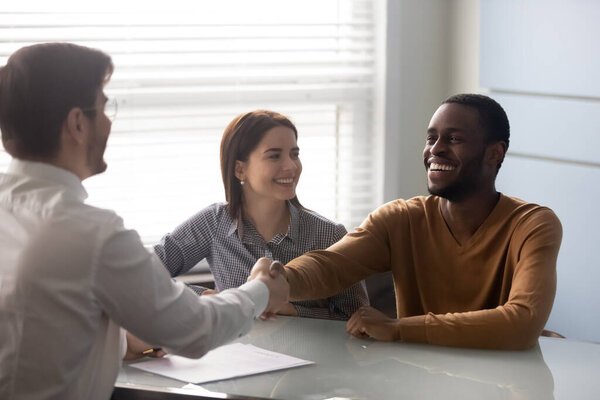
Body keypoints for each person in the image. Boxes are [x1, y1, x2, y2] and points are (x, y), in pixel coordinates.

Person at [0, 43, 288, 400]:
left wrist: (121, 339)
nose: (108, 121)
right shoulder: (90, 234)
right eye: (104, 107)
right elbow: (196, 330)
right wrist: (261, 289)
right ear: (77, 123)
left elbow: (36, 328)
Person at [271, 94, 562, 350]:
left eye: (454, 139)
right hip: (418, 383)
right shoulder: (400, 219)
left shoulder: (532, 225)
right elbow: (330, 265)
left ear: (494, 153)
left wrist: (399, 329)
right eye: (431, 137)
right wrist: (278, 281)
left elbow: (522, 321)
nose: (435, 149)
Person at [154, 110, 368, 320]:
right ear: (240, 170)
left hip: (315, 355)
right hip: (233, 353)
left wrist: (293, 311)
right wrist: (210, 298)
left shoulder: (329, 234)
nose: (291, 166)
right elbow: (145, 275)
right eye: (274, 156)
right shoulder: (213, 223)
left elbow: (357, 319)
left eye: (295, 154)